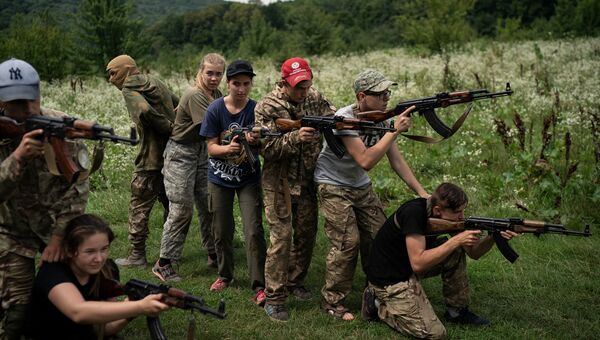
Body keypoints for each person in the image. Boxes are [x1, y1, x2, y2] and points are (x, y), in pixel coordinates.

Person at [314, 69, 428, 321]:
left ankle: (376, 292)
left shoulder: (383, 119)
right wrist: (394, 131)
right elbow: (365, 160)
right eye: (380, 94)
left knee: (380, 238)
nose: (386, 97)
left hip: (360, 186)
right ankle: (333, 300)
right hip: (332, 184)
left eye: (388, 92)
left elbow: (396, 160)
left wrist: (422, 193)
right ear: (362, 96)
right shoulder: (344, 119)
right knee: (347, 242)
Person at [0, 58, 89, 339]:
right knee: (16, 310)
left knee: (91, 275)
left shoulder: (61, 127)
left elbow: (78, 190)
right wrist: (17, 158)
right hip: (10, 230)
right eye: (18, 103)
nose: (29, 109)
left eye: (32, 99)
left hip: (56, 225)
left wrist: (60, 237)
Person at [362, 182, 519, 339]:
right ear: (437, 210)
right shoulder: (413, 213)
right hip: (389, 279)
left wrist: (493, 237)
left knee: (455, 250)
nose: (462, 216)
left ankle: (456, 312)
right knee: (435, 333)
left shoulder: (446, 216)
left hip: (407, 266)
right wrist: (456, 240)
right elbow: (418, 264)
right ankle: (377, 305)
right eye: (458, 212)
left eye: (463, 211)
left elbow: (474, 252)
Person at [254, 57, 337, 321]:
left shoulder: (315, 97)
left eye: (306, 85)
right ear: (284, 83)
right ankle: (275, 298)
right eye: (297, 86)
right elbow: (264, 147)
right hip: (278, 182)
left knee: (306, 234)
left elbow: (334, 117)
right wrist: (294, 138)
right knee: (281, 239)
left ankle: (295, 281)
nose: (302, 91)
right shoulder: (267, 106)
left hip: (309, 180)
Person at [25, 214, 170, 340]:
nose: (99, 258)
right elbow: (78, 312)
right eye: (90, 252)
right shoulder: (53, 272)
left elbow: (105, 328)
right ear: (69, 250)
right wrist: (139, 306)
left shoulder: (107, 270)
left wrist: (130, 309)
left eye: (104, 249)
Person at [151, 53, 225, 282]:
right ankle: (164, 263)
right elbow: (213, 127)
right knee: (182, 208)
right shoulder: (195, 95)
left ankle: (214, 253)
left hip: (202, 152)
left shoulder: (217, 94)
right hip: (181, 153)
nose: (213, 78)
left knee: (208, 203)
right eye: (209, 73)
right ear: (200, 72)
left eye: (218, 74)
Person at [199, 60, 267, 305]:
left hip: (249, 178)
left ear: (251, 84)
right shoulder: (215, 109)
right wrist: (228, 148)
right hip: (219, 178)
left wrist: (254, 140)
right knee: (222, 230)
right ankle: (225, 275)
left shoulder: (257, 109)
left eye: (246, 84)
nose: (241, 88)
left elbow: (263, 144)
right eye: (236, 83)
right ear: (228, 83)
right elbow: (210, 148)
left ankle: (259, 284)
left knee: (253, 231)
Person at [106, 55, 176, 267]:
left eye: (113, 73)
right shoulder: (155, 82)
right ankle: (169, 253)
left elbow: (144, 111)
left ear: (127, 70)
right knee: (170, 205)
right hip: (171, 154)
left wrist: (165, 127)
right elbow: (178, 103)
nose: (111, 79)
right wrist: (175, 130)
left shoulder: (129, 88)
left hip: (150, 158)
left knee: (139, 204)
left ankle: (137, 255)